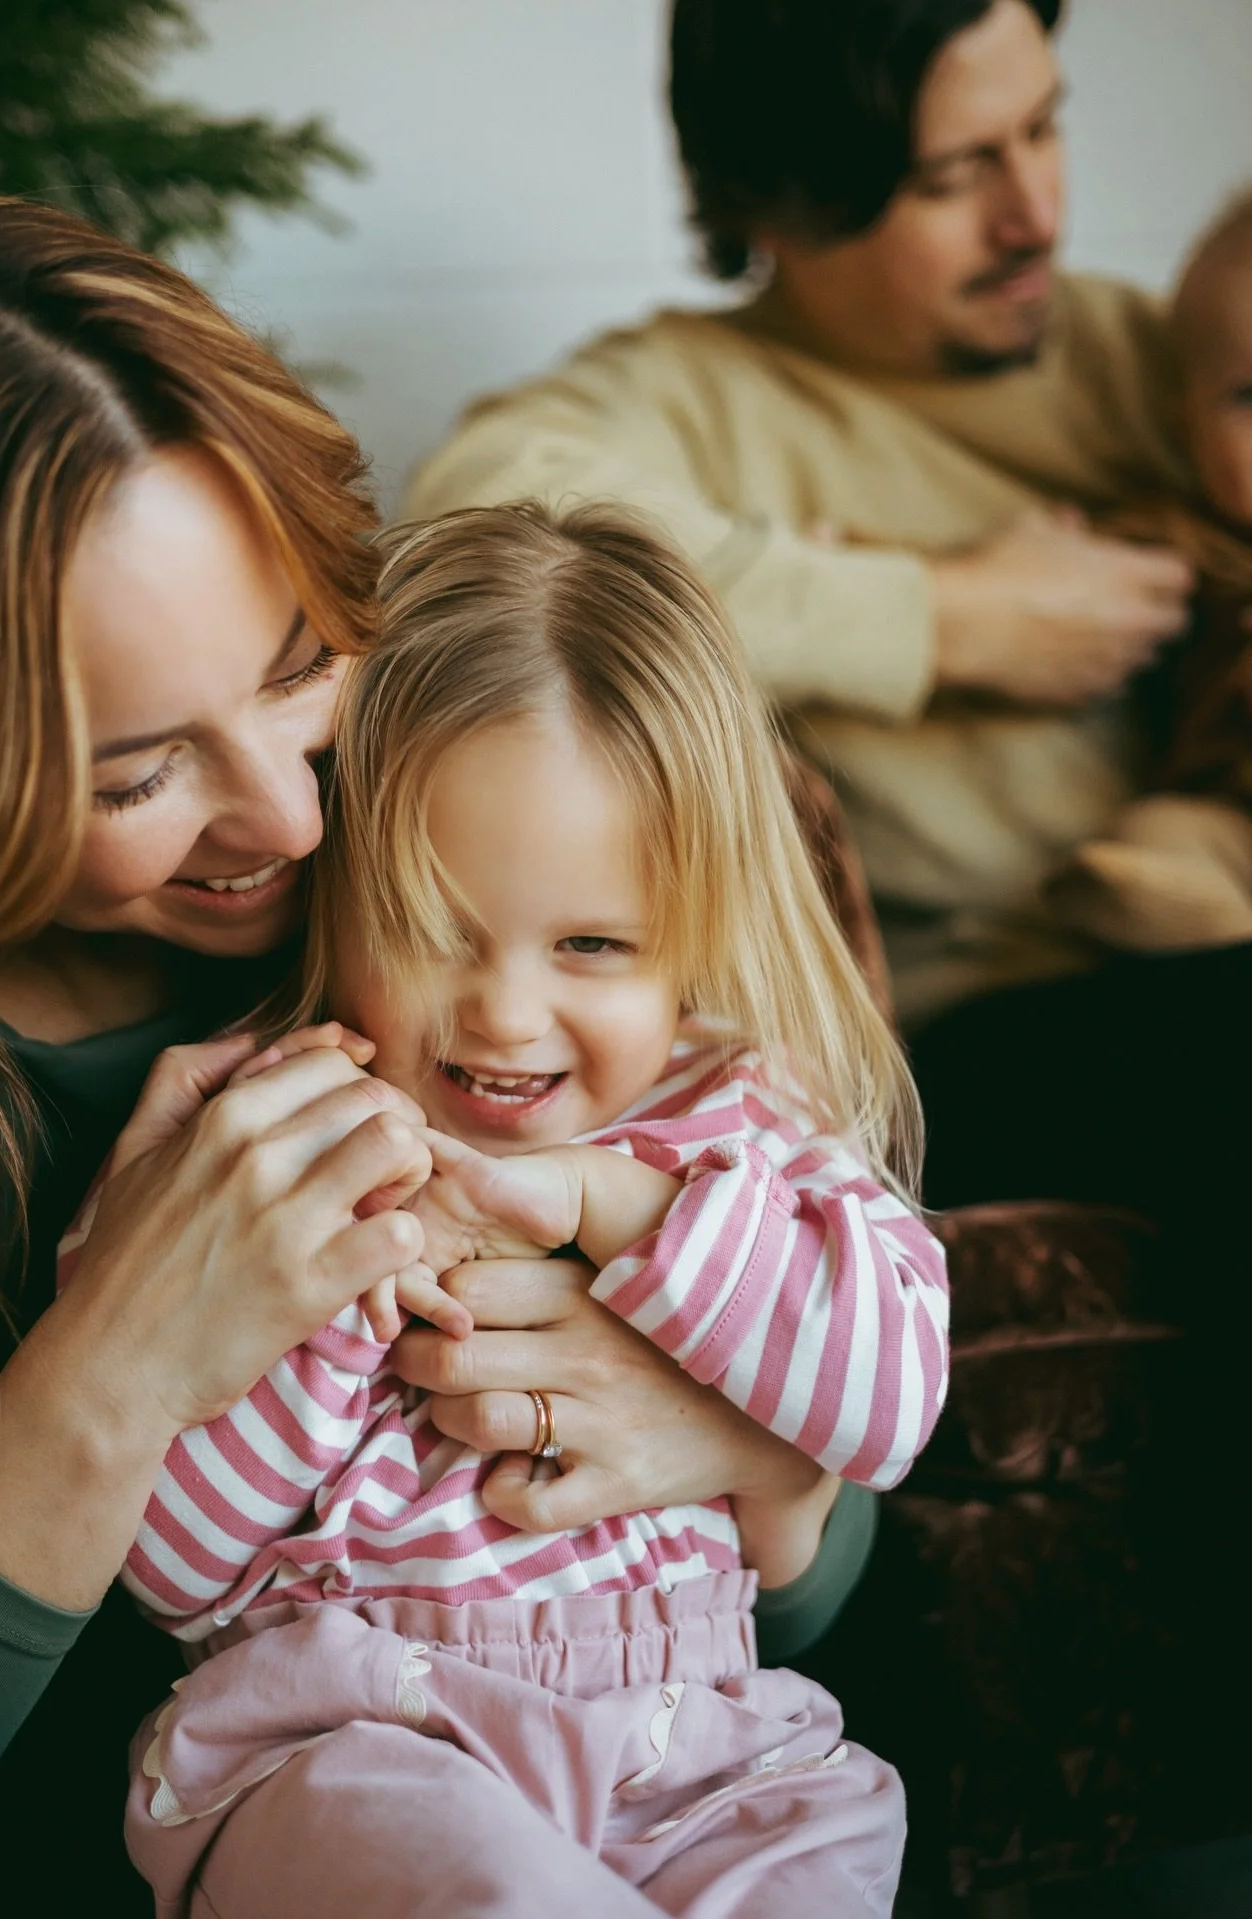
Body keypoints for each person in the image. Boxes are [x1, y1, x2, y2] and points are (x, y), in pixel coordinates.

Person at [0, 197, 879, 1918]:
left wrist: (739, 1444)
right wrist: (109, 1378)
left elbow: (831, 1574)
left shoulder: (448, 883)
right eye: (134, 770)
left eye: (305, 660)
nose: (293, 815)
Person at [57, 501, 945, 1917]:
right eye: (433, 926)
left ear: (691, 937)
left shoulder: (739, 1121)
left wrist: (624, 1205)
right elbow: (164, 1560)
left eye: (593, 944)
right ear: (339, 883)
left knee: (828, 1846)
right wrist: (356, 1281)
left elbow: (887, 1405)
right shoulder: (254, 1135)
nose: (509, 1012)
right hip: (343, 1734)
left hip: (702, 1746)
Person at [402, 0, 1250, 1280]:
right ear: (784, 199)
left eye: (1042, 129)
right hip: (976, 1036)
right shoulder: (688, 397)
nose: (1034, 214)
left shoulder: (1147, 354)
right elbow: (469, 521)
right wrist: (943, 619)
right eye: (954, 175)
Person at [1050, 188, 1252, 951]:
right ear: (1187, 424)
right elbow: (1051, 576)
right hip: (1231, 821)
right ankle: (1205, 926)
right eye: (1249, 396)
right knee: (1160, 835)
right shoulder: (1181, 537)